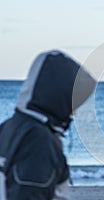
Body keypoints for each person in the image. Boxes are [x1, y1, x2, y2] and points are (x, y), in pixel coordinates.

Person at [0, 50, 96, 200]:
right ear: (58, 98)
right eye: (72, 103)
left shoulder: (8, 127)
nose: (74, 113)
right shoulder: (38, 141)